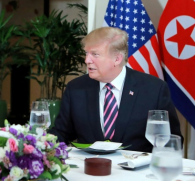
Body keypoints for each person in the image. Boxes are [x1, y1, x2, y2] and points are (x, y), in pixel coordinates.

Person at [48, 27, 182, 152]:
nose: (87, 60)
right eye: (86, 53)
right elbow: (61, 133)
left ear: (117, 59)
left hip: (137, 174)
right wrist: (38, 146)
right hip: (89, 171)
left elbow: (172, 140)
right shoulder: (75, 88)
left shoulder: (154, 89)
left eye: (95, 54)